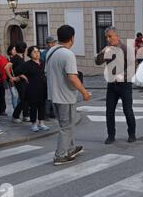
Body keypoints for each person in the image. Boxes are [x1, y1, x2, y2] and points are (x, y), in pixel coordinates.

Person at [46, 25, 91, 165]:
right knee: (66, 127)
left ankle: (70, 148)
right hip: (65, 96)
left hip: (53, 95)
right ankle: (60, 155)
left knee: (66, 125)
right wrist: (84, 92)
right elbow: (72, 77)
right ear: (72, 38)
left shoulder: (51, 51)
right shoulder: (68, 54)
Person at [95, 26, 136, 145]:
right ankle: (111, 135)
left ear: (117, 36)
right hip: (112, 85)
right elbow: (97, 62)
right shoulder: (107, 49)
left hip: (125, 84)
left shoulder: (125, 49)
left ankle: (132, 134)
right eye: (106, 37)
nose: (108, 39)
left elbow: (133, 66)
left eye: (110, 36)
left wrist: (124, 76)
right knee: (109, 111)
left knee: (127, 110)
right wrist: (102, 53)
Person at [15, 46, 49, 132]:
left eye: (38, 51)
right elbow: (17, 71)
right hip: (32, 88)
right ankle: (34, 123)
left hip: (43, 87)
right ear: (30, 54)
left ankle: (41, 122)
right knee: (33, 106)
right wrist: (22, 76)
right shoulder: (27, 64)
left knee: (42, 105)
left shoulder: (43, 63)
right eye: (34, 52)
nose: (37, 53)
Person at [6, 42, 30, 123]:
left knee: (26, 98)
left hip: (23, 80)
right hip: (19, 81)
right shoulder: (15, 57)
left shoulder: (21, 57)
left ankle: (25, 115)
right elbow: (6, 67)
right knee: (23, 99)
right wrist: (11, 77)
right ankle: (15, 116)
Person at [41, 36, 57, 119]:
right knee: (49, 95)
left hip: (52, 75)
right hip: (47, 76)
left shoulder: (53, 52)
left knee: (51, 94)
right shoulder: (45, 53)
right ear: (48, 44)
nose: (53, 44)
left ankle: (51, 112)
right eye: (51, 42)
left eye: (53, 42)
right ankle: (47, 112)